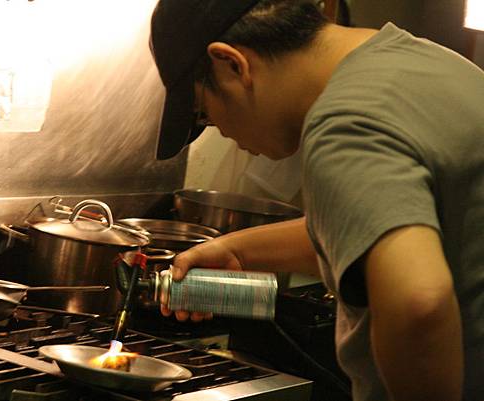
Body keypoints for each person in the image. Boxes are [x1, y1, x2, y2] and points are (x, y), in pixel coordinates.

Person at [148, 1, 484, 400]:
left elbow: (418, 303)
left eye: (205, 115)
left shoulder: (343, 125)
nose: (222, 132)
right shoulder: (427, 61)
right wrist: (236, 249)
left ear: (232, 64)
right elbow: (380, 230)